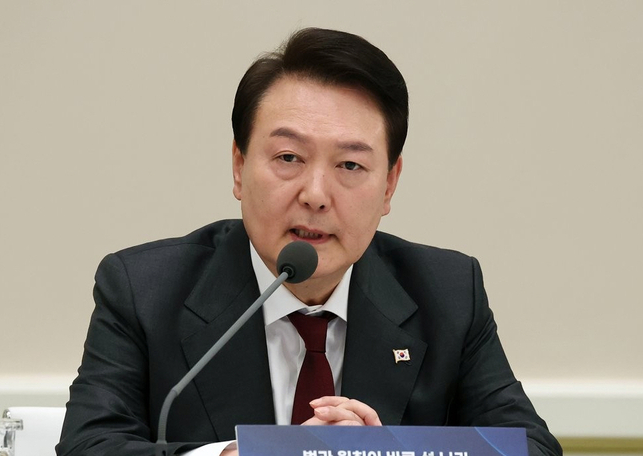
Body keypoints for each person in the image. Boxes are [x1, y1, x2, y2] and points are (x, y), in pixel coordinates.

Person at [57, 28, 562, 456]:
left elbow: (530, 447)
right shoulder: (144, 290)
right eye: (289, 158)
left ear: (389, 185)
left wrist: (392, 452)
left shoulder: (448, 293)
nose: (315, 195)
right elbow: (88, 445)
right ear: (238, 166)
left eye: (350, 165)